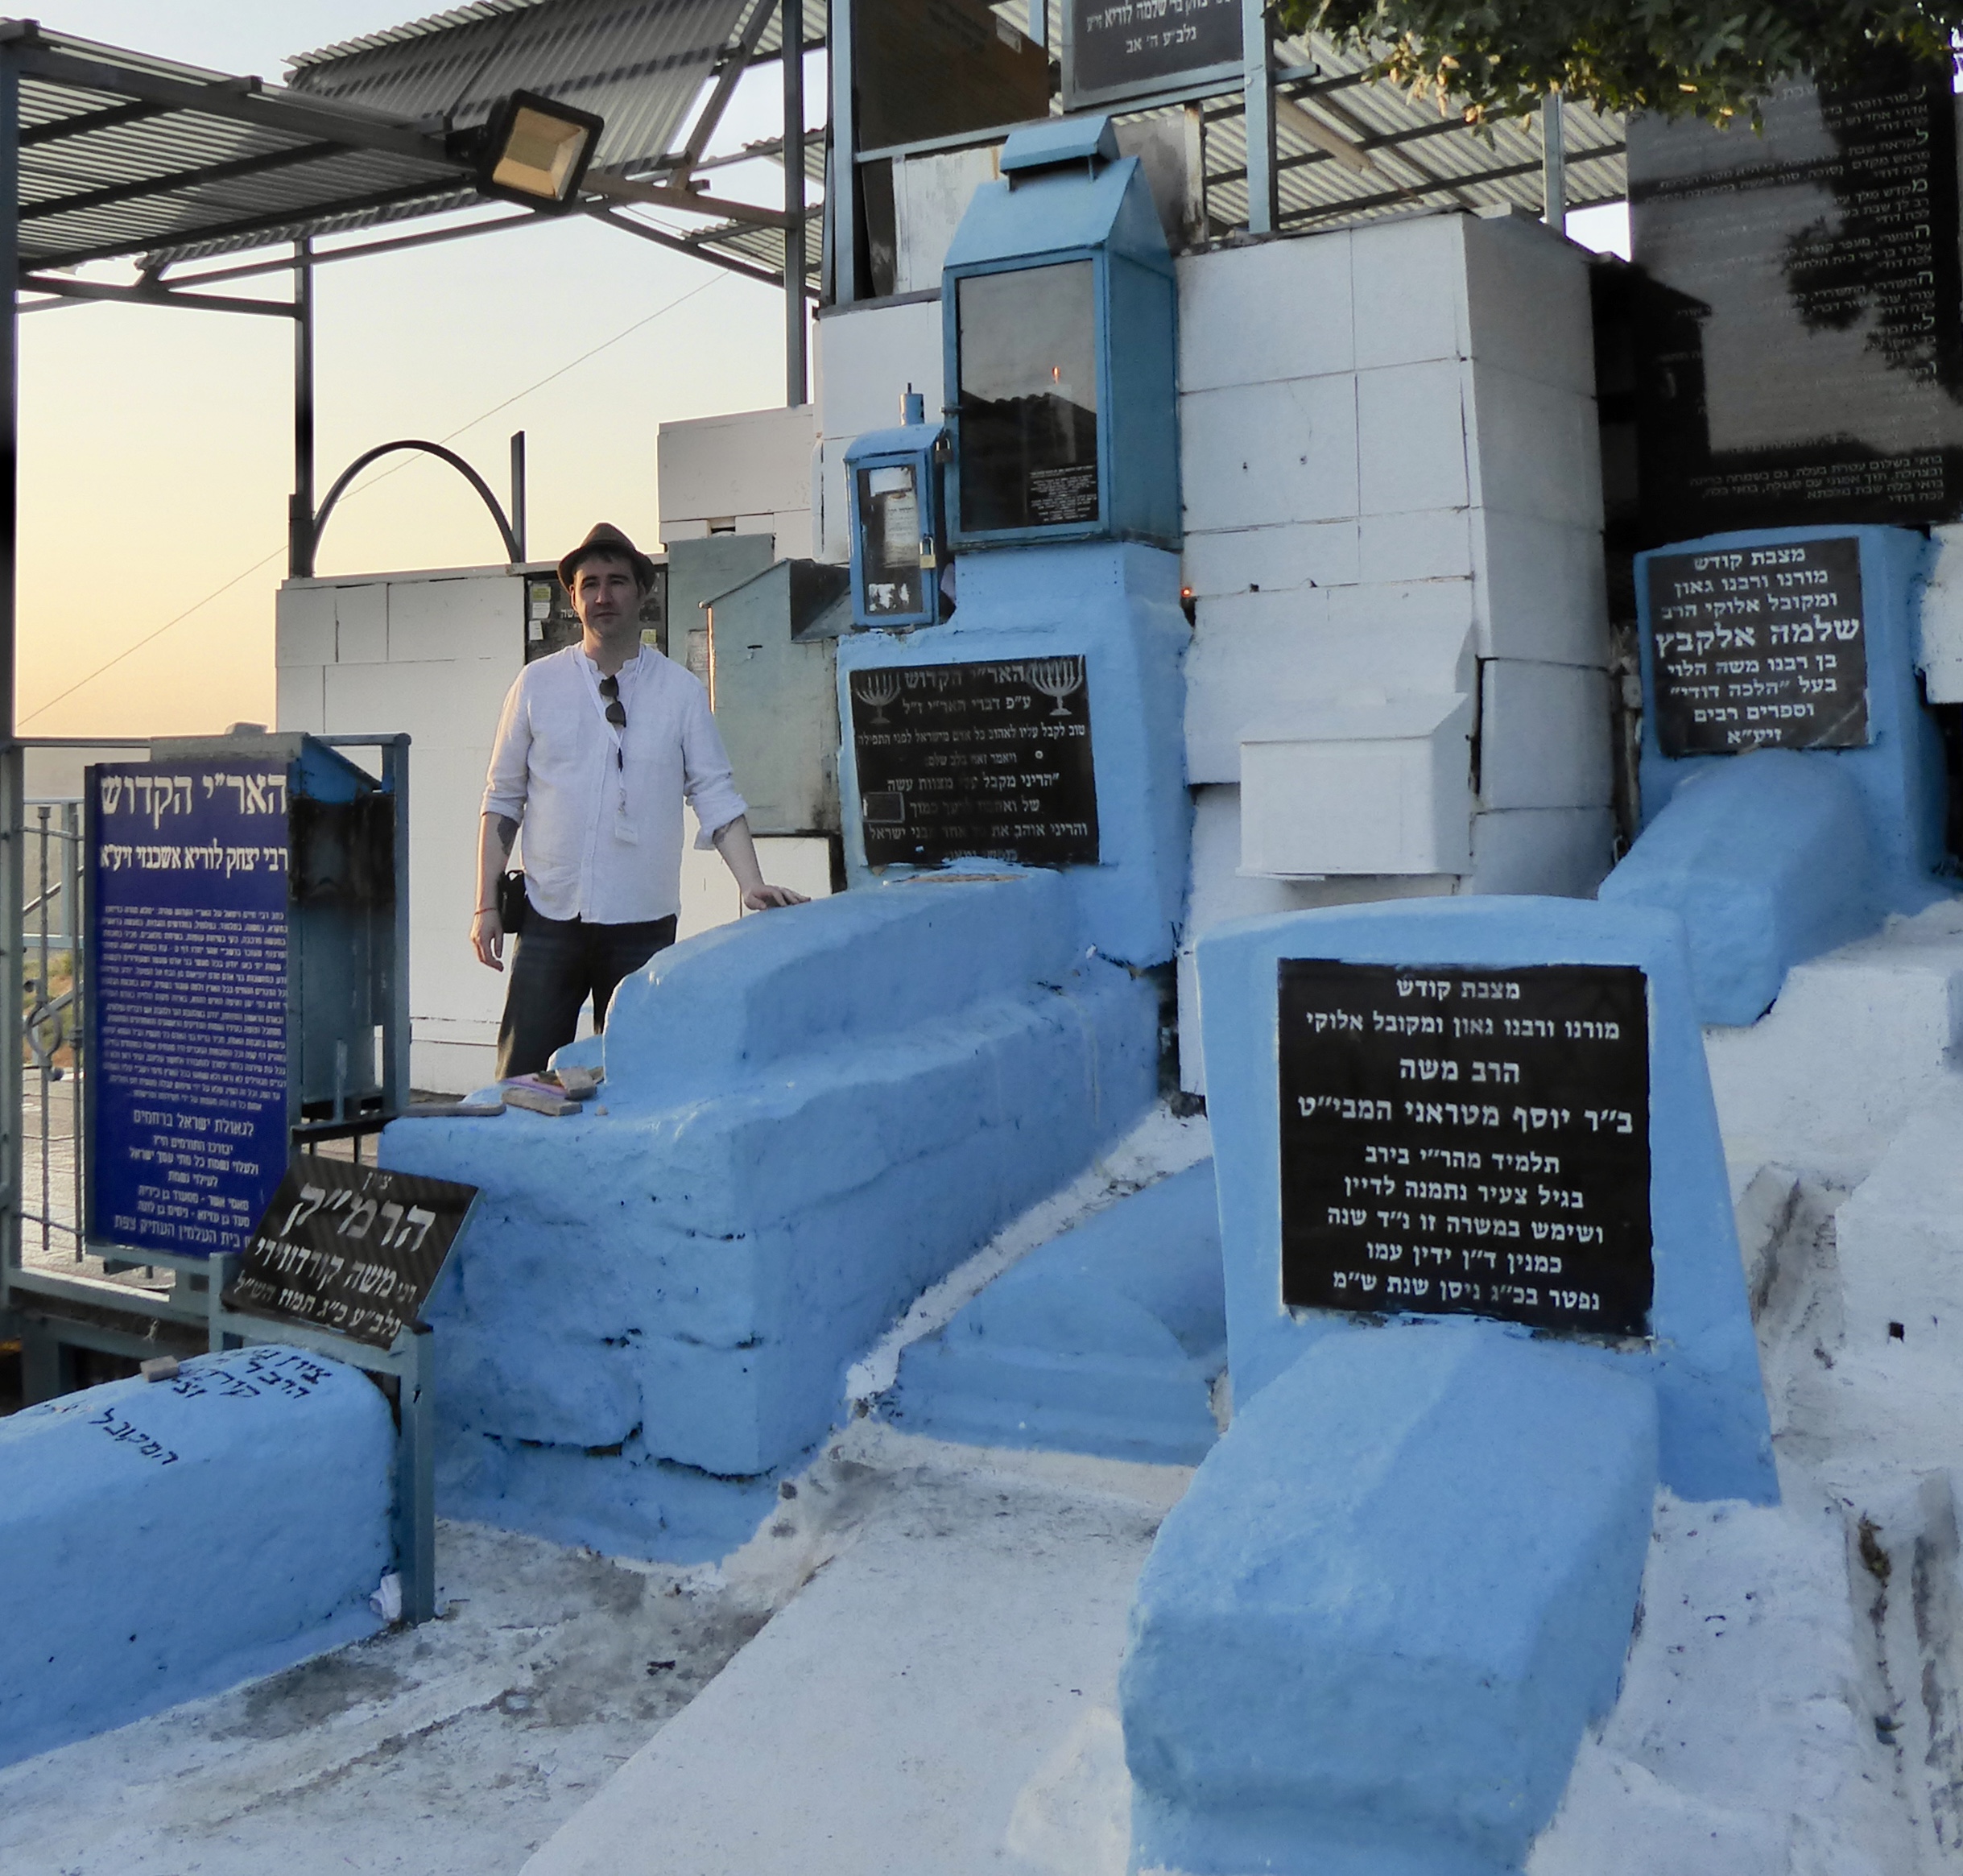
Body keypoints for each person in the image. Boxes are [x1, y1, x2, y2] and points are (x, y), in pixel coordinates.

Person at [472, 521, 808, 1076]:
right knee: (524, 1079)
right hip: (549, 916)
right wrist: (486, 905)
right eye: (590, 584)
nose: (603, 596)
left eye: (617, 582)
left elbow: (715, 791)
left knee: (635, 1079)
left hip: (642, 922)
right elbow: (503, 799)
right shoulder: (537, 684)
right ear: (573, 597)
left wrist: (751, 883)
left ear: (643, 592)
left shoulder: (679, 691)